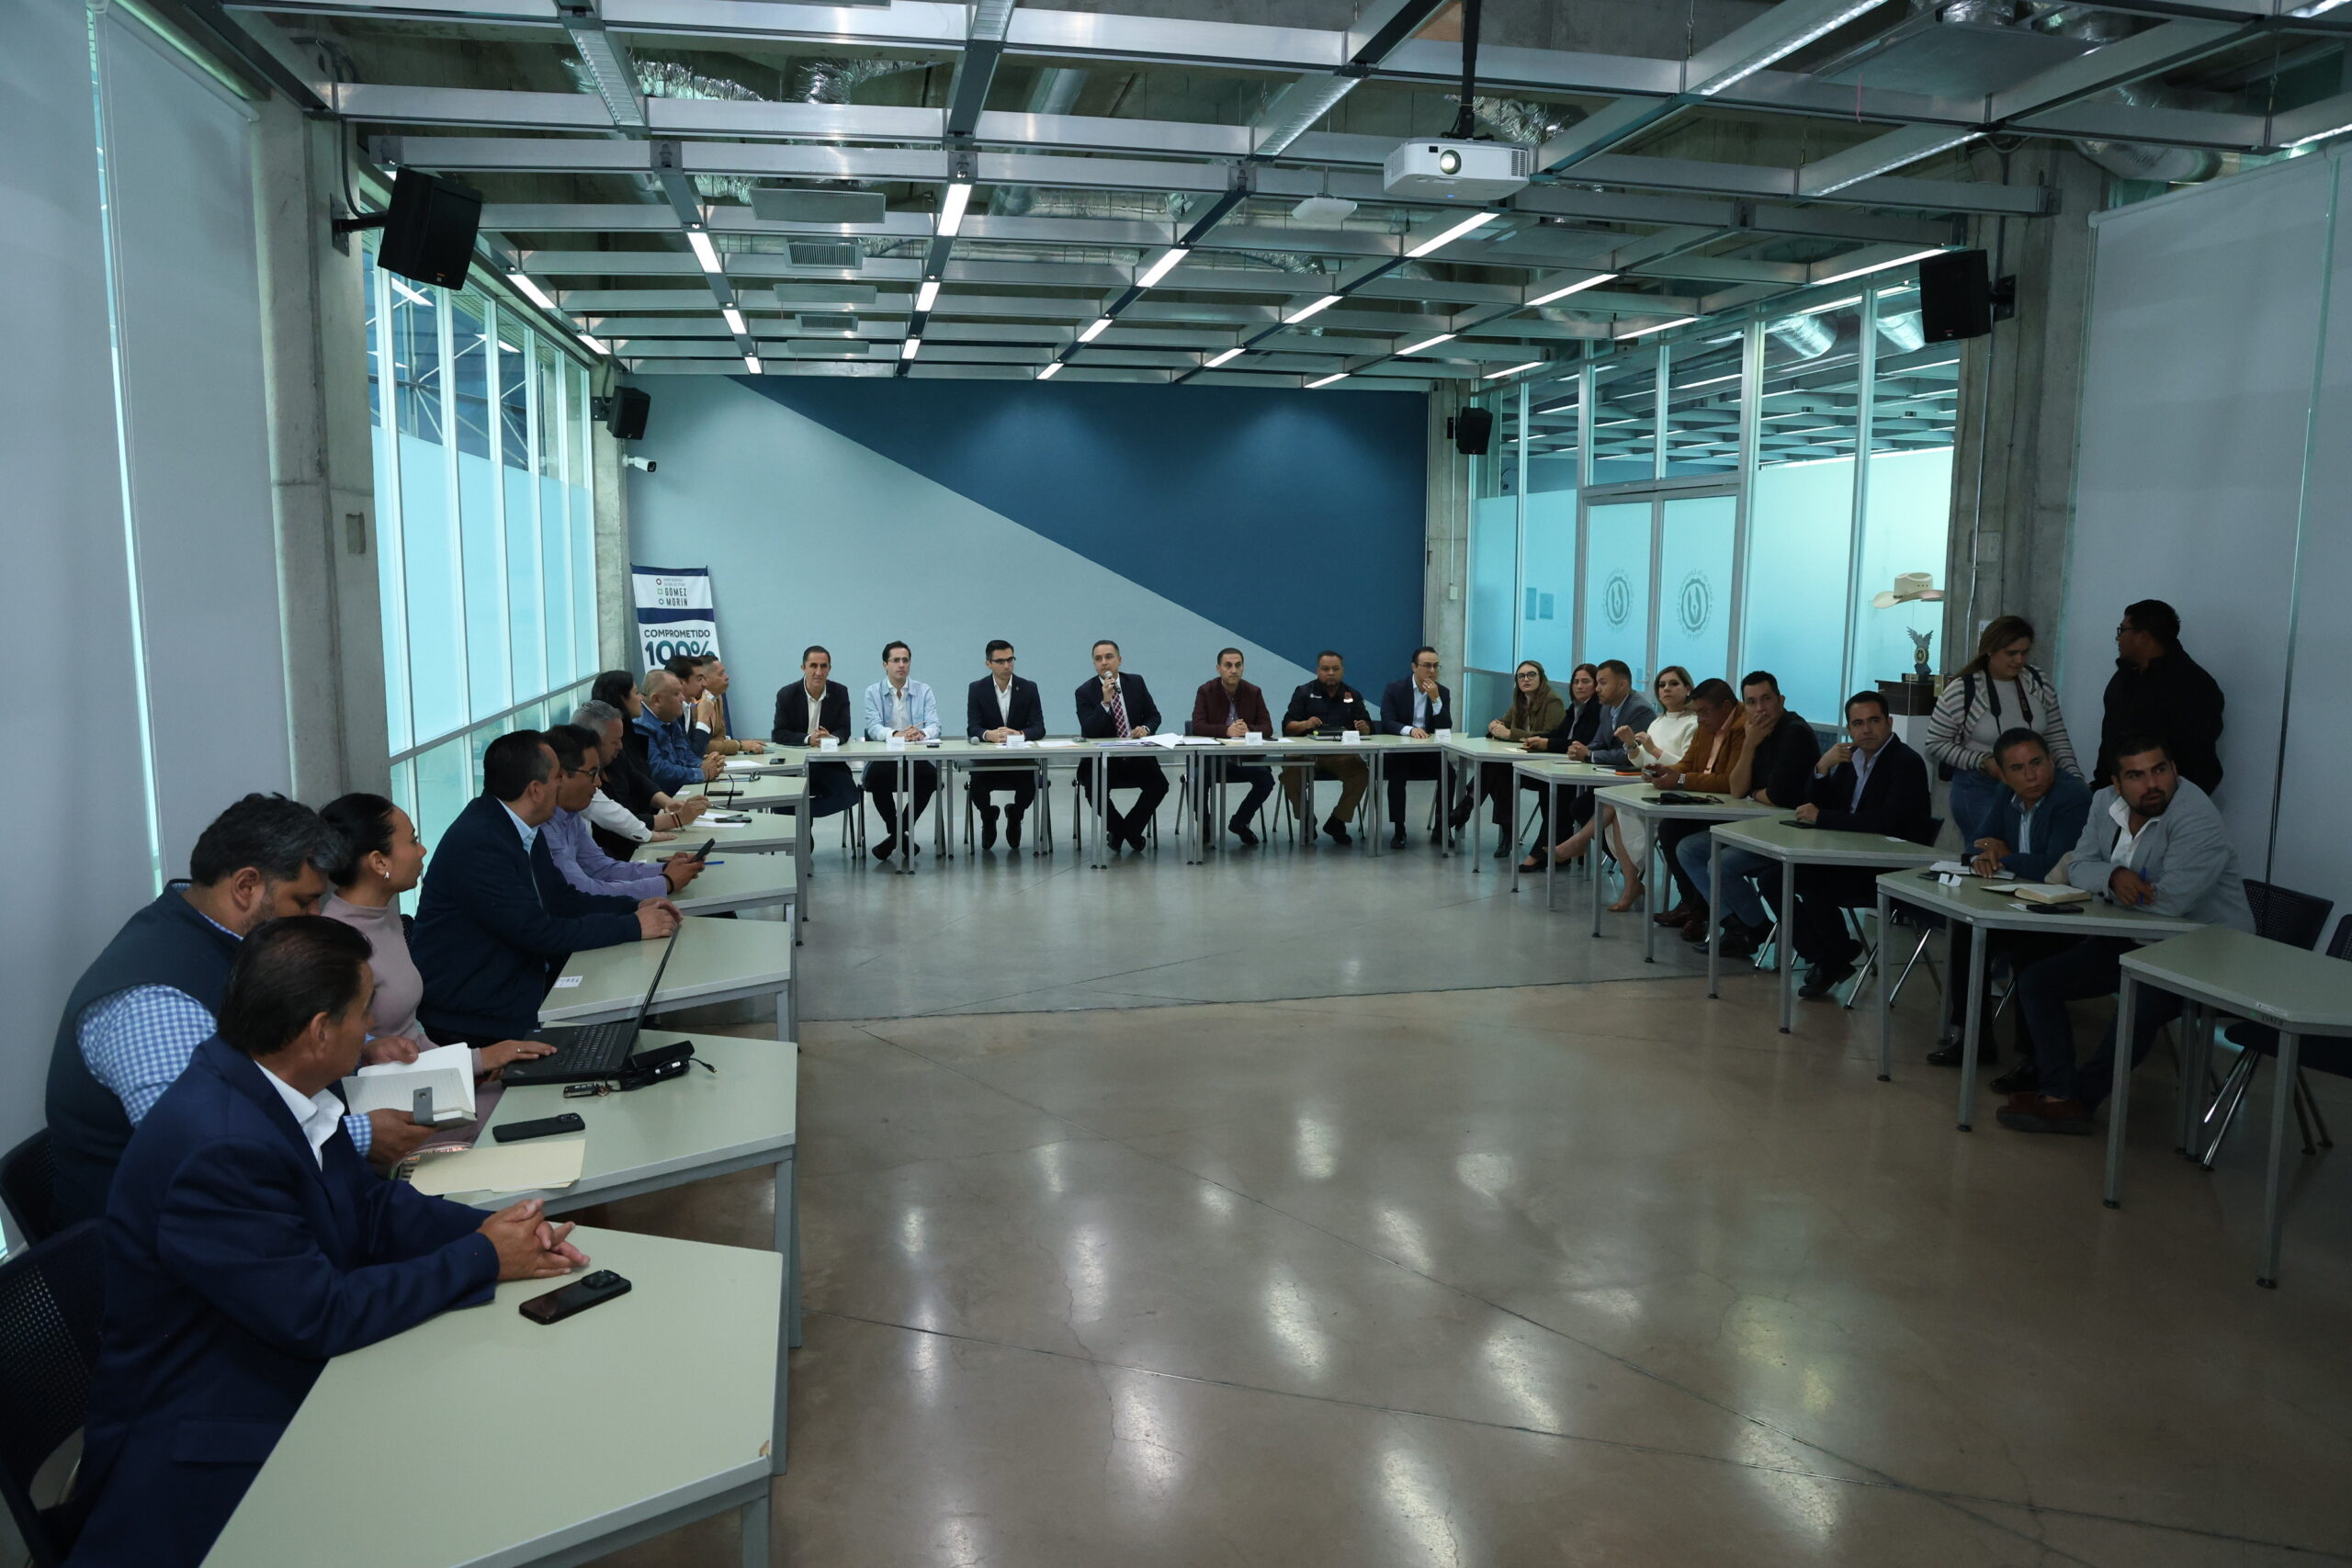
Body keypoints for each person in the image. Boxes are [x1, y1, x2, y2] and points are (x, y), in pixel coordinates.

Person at [67, 918, 588, 1568]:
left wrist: (501, 1231)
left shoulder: (274, 1087)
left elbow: (369, 1209)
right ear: (319, 1031)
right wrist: (484, 1257)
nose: (371, 1027)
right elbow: (319, 1314)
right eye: (363, 1011)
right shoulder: (218, 1146)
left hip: (266, 1354)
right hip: (206, 1428)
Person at [46, 793, 431, 1227]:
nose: (314, 918)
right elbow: (211, 1148)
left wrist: (361, 1046)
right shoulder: (153, 1002)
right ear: (246, 887)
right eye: (302, 902)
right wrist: (361, 1136)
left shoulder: (234, 940)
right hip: (174, 1238)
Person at [1998, 736, 2253, 1134]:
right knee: (2037, 981)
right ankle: (2058, 1090)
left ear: (2175, 770)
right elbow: (2078, 865)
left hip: (2203, 950)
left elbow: (2170, 903)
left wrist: (2107, 886)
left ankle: (2080, 1100)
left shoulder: (2196, 817)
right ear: (2116, 784)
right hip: (2134, 938)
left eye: (2160, 770)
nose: (2152, 784)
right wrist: (2115, 876)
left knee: (2138, 1000)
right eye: (2136, 776)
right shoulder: (2103, 802)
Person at [411, 730, 678, 1046]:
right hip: (475, 1019)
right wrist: (632, 926)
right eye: (556, 777)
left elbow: (562, 900)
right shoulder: (479, 843)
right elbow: (538, 932)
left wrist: (634, 908)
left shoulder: (519, 826)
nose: (561, 785)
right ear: (536, 790)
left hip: (515, 991)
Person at [318, 793, 558, 1084]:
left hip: (428, 1078)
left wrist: (477, 1063)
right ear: (379, 862)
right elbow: (364, 1062)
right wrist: (483, 1059)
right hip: (395, 1096)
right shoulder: (334, 944)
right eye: (412, 841)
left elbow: (413, 1037)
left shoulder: (385, 916)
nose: (422, 850)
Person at [1924, 728, 2094, 1068]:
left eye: (2037, 763)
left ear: (2051, 760)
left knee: (2033, 950)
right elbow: (1977, 843)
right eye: (2017, 768)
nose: (2030, 775)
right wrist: (1987, 855)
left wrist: (2004, 857)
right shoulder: (2006, 793)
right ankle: (1974, 1039)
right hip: (2017, 904)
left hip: (2067, 914)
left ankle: (2034, 1059)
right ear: (2002, 773)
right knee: (1967, 931)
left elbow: (2055, 866)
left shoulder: (2072, 797)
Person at [1781, 692, 1936, 998]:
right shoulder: (1852, 759)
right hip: (1849, 857)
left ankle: (1833, 956)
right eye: (1858, 723)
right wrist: (1822, 768)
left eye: (1874, 721)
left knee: (1810, 883)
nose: (1866, 730)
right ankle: (1831, 955)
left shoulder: (1907, 763)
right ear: (1850, 728)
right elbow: (1824, 805)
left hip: (1888, 866)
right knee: (1776, 876)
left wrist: (1822, 817)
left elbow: (1884, 822)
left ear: (1889, 722)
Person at [1674, 671, 1815, 950]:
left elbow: (1778, 796)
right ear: (1744, 706)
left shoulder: (1794, 732)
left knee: (1721, 862)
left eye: (1766, 699)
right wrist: (1750, 745)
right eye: (1751, 702)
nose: (1760, 709)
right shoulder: (1754, 732)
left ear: (1781, 700)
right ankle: (1745, 926)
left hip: (1790, 831)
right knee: (1687, 849)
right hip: (1758, 826)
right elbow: (1738, 789)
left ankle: (1751, 928)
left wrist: (1757, 792)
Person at [1926, 615, 2082, 846]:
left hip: (2031, 786)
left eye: (2025, 652)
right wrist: (1983, 762)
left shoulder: (2037, 682)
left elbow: (2056, 737)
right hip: (1980, 787)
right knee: (1992, 853)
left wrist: (2075, 780)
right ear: (1990, 650)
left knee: (2029, 852)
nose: (2019, 660)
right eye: (2011, 653)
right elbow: (1935, 743)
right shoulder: (1963, 690)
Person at [541, 725, 705, 900]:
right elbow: (583, 891)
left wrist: (665, 869)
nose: (598, 783)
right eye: (592, 773)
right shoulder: (543, 829)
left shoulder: (571, 815)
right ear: (560, 776)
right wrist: (666, 882)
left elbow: (602, 868)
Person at [1528, 659, 1655, 871]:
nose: (1597, 689)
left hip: (1632, 779)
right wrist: (1580, 750)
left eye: (1602, 683)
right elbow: (1599, 742)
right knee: (1576, 804)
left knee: (1582, 802)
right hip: (1608, 775)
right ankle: (1608, 852)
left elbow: (1630, 755)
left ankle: (1599, 850)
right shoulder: (1607, 708)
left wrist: (1590, 755)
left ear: (1622, 684)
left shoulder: (1640, 710)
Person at [1650, 679, 1747, 931]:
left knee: (1683, 838)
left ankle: (1703, 909)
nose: (1700, 719)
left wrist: (1680, 780)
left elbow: (1728, 781)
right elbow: (1688, 763)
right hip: (1705, 803)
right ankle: (1692, 903)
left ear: (1725, 707)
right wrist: (1666, 771)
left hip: (1734, 812)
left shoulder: (1742, 728)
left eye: (1704, 712)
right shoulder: (1705, 725)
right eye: (1697, 713)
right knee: (1670, 828)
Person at [2101, 598, 2225, 795]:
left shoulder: (2194, 686)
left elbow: (2196, 758)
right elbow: (2110, 740)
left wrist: (2168, 800)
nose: (2118, 638)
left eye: (2122, 630)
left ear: (2144, 636)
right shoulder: (2123, 679)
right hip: (2117, 796)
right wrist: (2101, 788)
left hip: (2169, 801)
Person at [1605, 665, 1699, 911]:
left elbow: (1686, 767)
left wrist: (1654, 750)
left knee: (1617, 809)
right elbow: (1642, 762)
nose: (1666, 689)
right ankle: (1631, 883)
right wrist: (1631, 746)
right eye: (1662, 685)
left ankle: (1630, 883)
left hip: (1677, 791)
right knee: (1614, 805)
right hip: (1652, 785)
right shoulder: (1658, 721)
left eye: (1674, 684)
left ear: (1688, 689)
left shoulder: (1693, 724)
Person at [1451, 660, 1565, 857]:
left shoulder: (1552, 701)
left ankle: (1467, 806)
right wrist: (1495, 726)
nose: (1526, 679)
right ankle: (1505, 834)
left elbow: (1550, 735)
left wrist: (1509, 733)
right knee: (1499, 772)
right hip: (1521, 763)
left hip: (1544, 766)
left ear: (1541, 678)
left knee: (1497, 769)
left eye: (1531, 675)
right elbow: (1505, 722)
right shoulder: (1520, 701)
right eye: (1521, 676)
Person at [1075, 638, 1170, 852]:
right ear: (1094, 664)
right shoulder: (1084, 692)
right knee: (1093, 790)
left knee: (1159, 785)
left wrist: (1145, 728)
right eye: (1098, 659)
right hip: (1103, 761)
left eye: (1109, 657)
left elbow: (1154, 716)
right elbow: (1088, 731)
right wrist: (1105, 703)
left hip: (1136, 756)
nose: (1104, 662)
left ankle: (1124, 832)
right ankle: (1128, 833)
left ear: (1119, 660)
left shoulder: (1136, 682)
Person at [590, 671, 706, 838]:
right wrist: (676, 819)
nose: (641, 698)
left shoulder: (629, 733)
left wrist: (669, 803)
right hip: (628, 835)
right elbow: (622, 816)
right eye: (636, 693)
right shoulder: (639, 728)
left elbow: (637, 778)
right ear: (621, 699)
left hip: (644, 824)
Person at [861, 640, 943, 861]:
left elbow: (935, 725)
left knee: (930, 778)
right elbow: (873, 727)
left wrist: (922, 733)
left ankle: (894, 839)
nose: (901, 665)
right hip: (885, 757)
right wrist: (896, 734)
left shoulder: (924, 690)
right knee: (875, 779)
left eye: (905, 660)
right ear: (885, 665)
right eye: (895, 660)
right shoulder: (872, 692)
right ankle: (901, 838)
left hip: (917, 756)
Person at [1282, 650, 1373, 845]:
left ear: (1342, 671)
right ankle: (1306, 819)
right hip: (1305, 754)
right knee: (1289, 774)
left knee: (1361, 774)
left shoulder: (1352, 695)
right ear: (1317, 671)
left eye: (1335, 669)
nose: (1330, 673)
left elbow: (1367, 726)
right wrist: (1305, 724)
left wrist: (1364, 727)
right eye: (1325, 669)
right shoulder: (1303, 692)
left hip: (1340, 755)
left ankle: (1338, 821)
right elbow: (1287, 727)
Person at [1189, 647, 1278, 847]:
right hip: (1214, 758)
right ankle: (1204, 824)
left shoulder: (1254, 692)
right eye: (1228, 665)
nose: (1234, 670)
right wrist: (1227, 730)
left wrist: (1249, 729)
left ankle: (1240, 822)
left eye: (1238, 665)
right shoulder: (1206, 691)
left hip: (1246, 757)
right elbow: (1198, 726)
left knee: (1266, 780)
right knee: (1196, 778)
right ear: (1218, 668)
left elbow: (1267, 727)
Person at [1513, 661, 1600, 862]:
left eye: (1585, 682)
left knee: (1557, 791)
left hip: (1588, 772)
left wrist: (1547, 742)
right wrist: (1540, 740)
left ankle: (1542, 852)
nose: (1579, 686)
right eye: (1576, 682)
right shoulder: (1575, 707)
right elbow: (1559, 733)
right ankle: (1555, 847)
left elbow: (1582, 741)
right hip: (1568, 767)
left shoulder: (1596, 708)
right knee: (1544, 785)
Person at [966, 639, 1046, 850]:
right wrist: (988, 735)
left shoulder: (1028, 688)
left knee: (1029, 785)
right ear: (988, 664)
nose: (1007, 665)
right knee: (977, 787)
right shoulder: (977, 689)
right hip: (988, 762)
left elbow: (1039, 728)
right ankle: (988, 817)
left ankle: (1015, 815)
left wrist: (1019, 734)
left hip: (1019, 760)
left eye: (1010, 660)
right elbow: (973, 727)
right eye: (1000, 661)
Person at [770, 645, 861, 822]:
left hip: (828, 764)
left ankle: (803, 815)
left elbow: (844, 729)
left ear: (829, 669)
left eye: (823, 666)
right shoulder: (786, 694)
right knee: (780, 801)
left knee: (850, 795)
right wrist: (808, 739)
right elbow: (779, 734)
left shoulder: (840, 692)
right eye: (813, 666)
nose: (818, 672)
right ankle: (804, 831)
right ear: (803, 668)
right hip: (794, 764)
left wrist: (831, 738)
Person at [1375, 647, 1454, 847]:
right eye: (1427, 665)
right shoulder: (1395, 689)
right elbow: (1387, 722)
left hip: (1428, 754)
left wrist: (1435, 700)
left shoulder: (1442, 692)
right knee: (1396, 773)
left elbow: (1445, 726)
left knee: (1449, 773)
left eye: (1436, 666)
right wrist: (1410, 730)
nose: (1432, 671)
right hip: (1400, 752)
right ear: (1414, 667)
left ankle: (1441, 827)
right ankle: (1399, 829)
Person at [637, 669, 723, 796]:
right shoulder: (640, 726)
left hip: (680, 794)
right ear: (657, 700)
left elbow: (687, 755)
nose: (683, 699)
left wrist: (707, 765)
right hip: (661, 802)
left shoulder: (670, 719)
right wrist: (701, 773)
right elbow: (658, 771)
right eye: (677, 694)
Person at [690, 656, 766, 757]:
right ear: (704, 679)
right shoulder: (692, 704)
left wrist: (720, 746)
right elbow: (700, 745)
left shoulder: (717, 697)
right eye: (721, 674)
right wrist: (738, 745)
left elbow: (720, 738)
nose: (727, 677)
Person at [663, 652, 717, 756]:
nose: (705, 684)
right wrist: (703, 718)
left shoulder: (686, 706)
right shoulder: (669, 712)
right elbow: (692, 754)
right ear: (680, 683)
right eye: (699, 679)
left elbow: (692, 751)